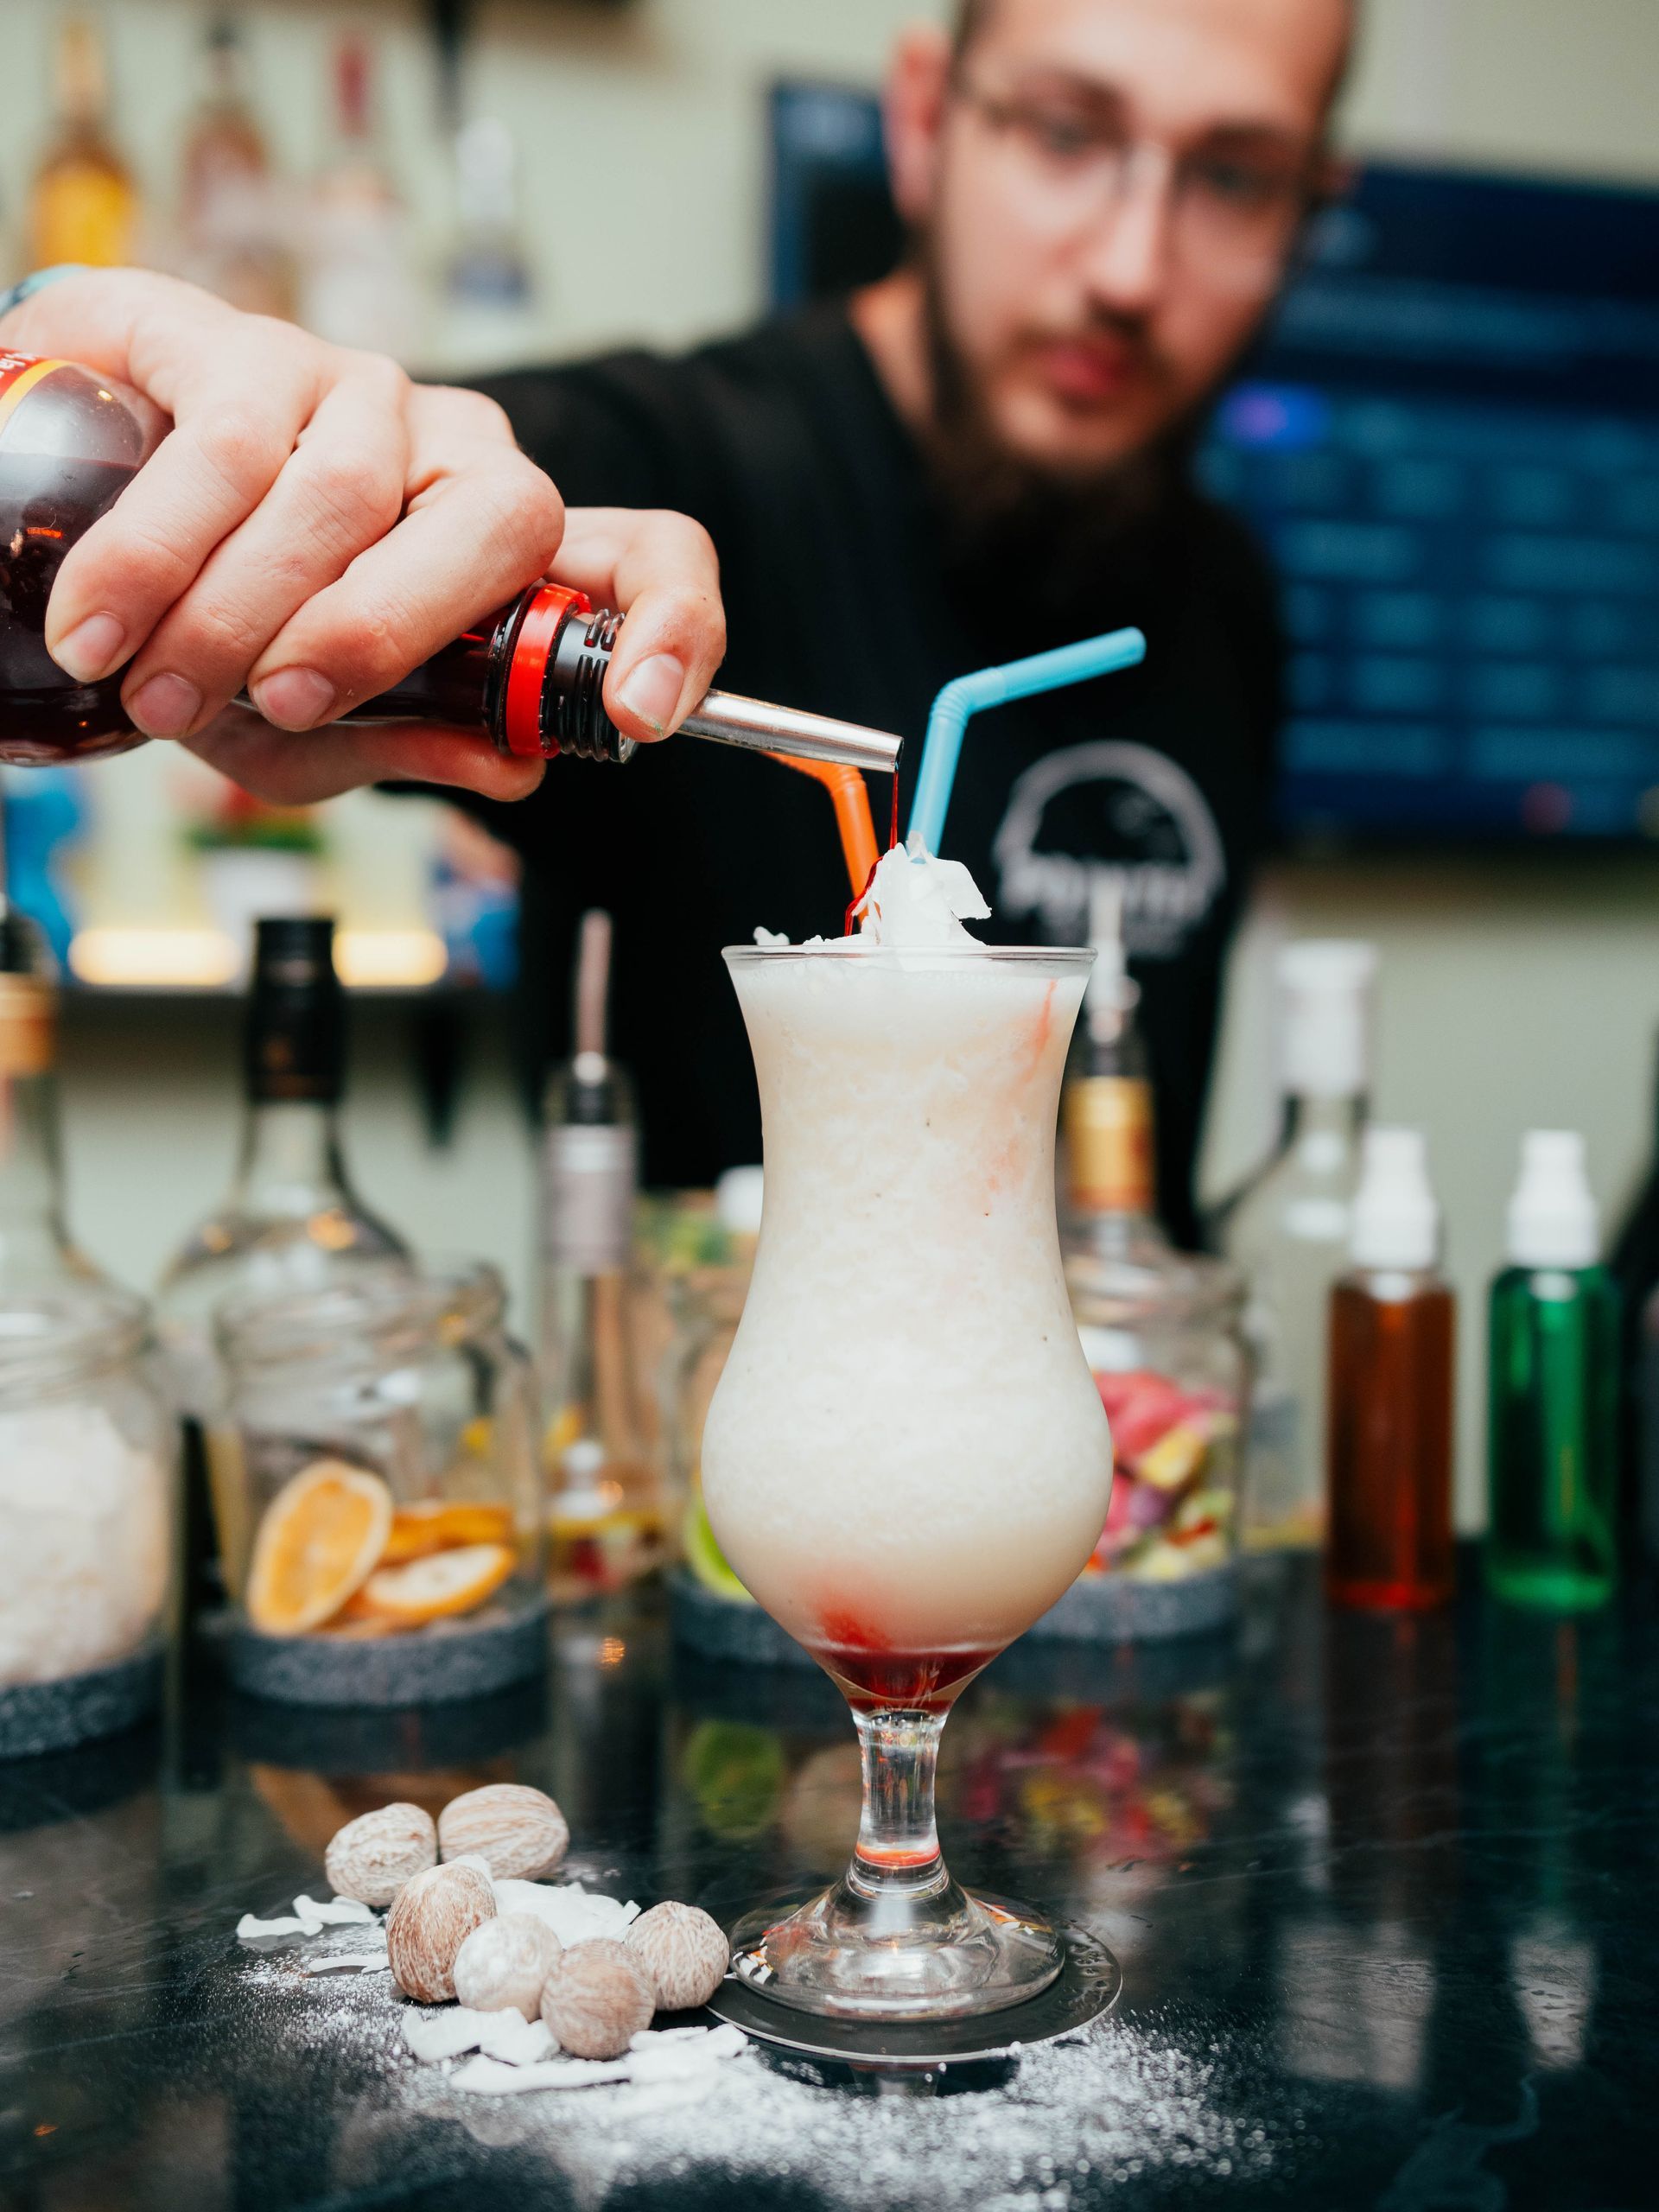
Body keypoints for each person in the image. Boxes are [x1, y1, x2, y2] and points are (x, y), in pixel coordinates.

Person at [1, 0, 1354, 1240]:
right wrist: (91, 375)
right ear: (928, 120)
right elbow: (426, 473)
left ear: (1311, 204)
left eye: (1233, 175)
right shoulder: (659, 468)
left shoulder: (1233, 594)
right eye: (1067, 132)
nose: (1128, 264)